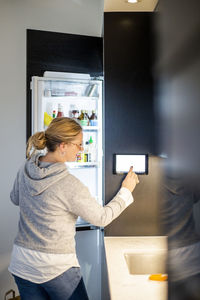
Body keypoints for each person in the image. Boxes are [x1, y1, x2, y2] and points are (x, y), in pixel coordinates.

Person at [9, 117, 139, 300]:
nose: (81, 149)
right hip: (55, 268)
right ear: (63, 146)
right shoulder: (69, 184)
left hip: (22, 263)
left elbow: (15, 198)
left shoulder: (25, 168)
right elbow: (101, 218)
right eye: (78, 144)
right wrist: (126, 191)